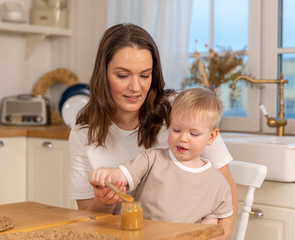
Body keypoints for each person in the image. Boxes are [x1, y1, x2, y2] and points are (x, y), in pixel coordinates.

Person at [69, 23, 237, 239]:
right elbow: (89, 220)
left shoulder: (182, 110)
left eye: (145, 75)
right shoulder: (84, 135)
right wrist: (104, 199)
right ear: (103, 75)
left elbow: (226, 192)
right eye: (123, 76)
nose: (136, 87)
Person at [89, 87, 233, 225]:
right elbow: (121, 175)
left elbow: (211, 226)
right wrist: (106, 174)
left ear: (211, 137)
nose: (183, 138)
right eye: (176, 129)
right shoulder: (151, 159)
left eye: (193, 134)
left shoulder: (218, 184)